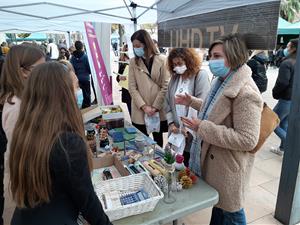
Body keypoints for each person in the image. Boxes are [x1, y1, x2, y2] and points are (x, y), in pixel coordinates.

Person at [9, 62, 112, 225]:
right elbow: (86, 199)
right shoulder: (67, 143)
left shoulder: (26, 132)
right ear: (63, 94)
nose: (79, 92)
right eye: (76, 86)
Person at [177, 34, 263, 225]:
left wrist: (203, 127)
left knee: (232, 212)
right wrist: (191, 101)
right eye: (211, 56)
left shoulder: (246, 92)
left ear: (233, 56)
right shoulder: (222, 81)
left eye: (217, 56)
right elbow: (214, 110)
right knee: (220, 207)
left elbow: (248, 139)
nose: (211, 61)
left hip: (229, 167)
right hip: (217, 161)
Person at [0, 44, 45, 225]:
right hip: (27, 177)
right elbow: (20, 148)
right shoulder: (17, 104)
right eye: (40, 68)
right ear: (23, 71)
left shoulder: (24, 97)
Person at [165, 48, 210, 166]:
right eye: (174, 64)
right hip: (176, 132)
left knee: (188, 164)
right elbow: (168, 103)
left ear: (189, 61)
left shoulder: (200, 76)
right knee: (174, 162)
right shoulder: (175, 78)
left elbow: (202, 105)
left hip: (192, 132)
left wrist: (189, 130)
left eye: (179, 63)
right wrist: (171, 124)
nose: (177, 67)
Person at [128, 29, 169, 147]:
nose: (136, 48)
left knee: (158, 142)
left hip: (158, 109)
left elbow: (166, 85)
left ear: (146, 44)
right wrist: (144, 106)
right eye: (134, 46)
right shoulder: (133, 62)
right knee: (140, 142)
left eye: (138, 45)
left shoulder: (162, 60)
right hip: (140, 110)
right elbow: (132, 87)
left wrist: (155, 107)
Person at [270, 38, 298, 156]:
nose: (286, 49)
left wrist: (275, 92)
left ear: (294, 48)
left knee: (272, 122)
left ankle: (290, 146)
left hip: (286, 99)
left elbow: (282, 82)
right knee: (284, 123)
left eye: (288, 46)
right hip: (294, 99)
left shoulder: (287, 63)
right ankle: (282, 149)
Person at [70, 41, 91, 109]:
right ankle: (87, 108)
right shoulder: (85, 56)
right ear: (82, 47)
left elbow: (71, 68)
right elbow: (89, 67)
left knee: (79, 95)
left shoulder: (72, 57)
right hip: (85, 78)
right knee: (87, 95)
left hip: (77, 79)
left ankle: (81, 108)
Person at [116, 44, 132, 115]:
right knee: (131, 114)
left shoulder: (137, 60)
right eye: (126, 50)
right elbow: (118, 76)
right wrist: (120, 77)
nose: (127, 51)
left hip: (137, 92)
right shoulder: (122, 61)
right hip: (127, 92)